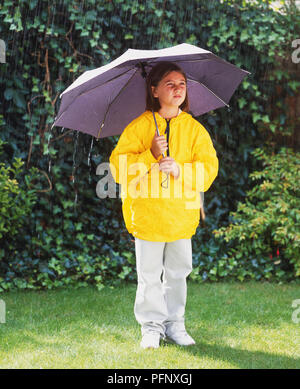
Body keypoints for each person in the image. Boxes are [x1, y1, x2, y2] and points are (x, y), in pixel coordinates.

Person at [109, 61, 218, 349]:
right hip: (147, 215)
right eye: (170, 84)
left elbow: (208, 171)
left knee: (178, 273)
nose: (177, 89)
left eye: (182, 83)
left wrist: (180, 169)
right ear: (154, 90)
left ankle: (175, 324)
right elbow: (120, 170)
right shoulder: (139, 128)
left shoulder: (195, 130)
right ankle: (151, 328)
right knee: (149, 276)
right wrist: (150, 155)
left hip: (181, 216)